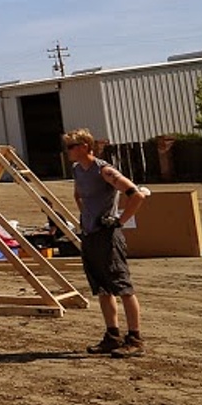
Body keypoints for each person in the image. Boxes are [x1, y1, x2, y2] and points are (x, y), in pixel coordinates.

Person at [65, 129, 150, 357]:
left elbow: (136, 195)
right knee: (103, 288)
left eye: (71, 146)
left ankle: (135, 338)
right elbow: (78, 195)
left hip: (107, 236)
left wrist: (118, 222)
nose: (68, 151)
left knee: (123, 287)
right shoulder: (77, 170)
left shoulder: (104, 170)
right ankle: (112, 336)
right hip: (90, 235)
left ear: (84, 146)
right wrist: (85, 219)